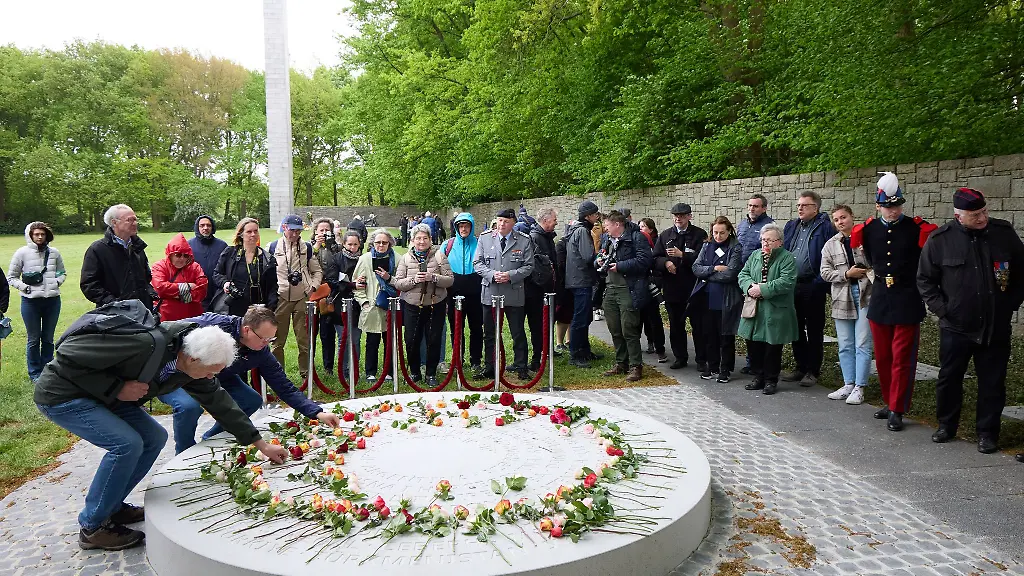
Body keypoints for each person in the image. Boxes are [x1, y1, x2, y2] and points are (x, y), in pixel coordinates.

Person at [35, 311, 287, 551]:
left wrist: (261, 445)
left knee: (154, 437)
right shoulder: (145, 344)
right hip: (64, 395)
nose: (212, 377)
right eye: (211, 371)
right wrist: (116, 387)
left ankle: (111, 506)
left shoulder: (193, 365)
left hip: (106, 398)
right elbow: (68, 355)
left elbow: (221, 403)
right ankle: (92, 527)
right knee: (127, 444)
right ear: (193, 359)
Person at [918, 188, 1024, 453]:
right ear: (958, 215)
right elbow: (925, 280)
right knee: (949, 377)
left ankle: (987, 432)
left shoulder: (1003, 233)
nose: (982, 218)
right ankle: (946, 425)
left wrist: (1010, 304)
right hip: (956, 326)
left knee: (992, 381)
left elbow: (1021, 273)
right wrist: (944, 310)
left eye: (984, 211)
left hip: (995, 325)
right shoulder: (940, 239)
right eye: (975, 214)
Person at [157, 306, 342, 454]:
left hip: (217, 376)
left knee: (251, 400)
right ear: (247, 330)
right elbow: (171, 336)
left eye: (271, 339)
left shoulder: (260, 351)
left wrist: (317, 413)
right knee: (189, 407)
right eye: (264, 338)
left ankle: (211, 439)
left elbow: (283, 385)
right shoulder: (211, 327)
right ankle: (184, 452)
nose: (266, 344)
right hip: (181, 371)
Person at [853, 172, 936, 431]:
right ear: (878, 206)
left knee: (903, 357)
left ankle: (898, 408)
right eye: (888, 206)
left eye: (897, 205)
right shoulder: (866, 230)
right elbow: (863, 260)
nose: (893, 210)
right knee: (884, 356)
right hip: (880, 297)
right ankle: (889, 401)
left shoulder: (918, 228)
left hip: (907, 297)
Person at [780, 191, 835, 387]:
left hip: (813, 284)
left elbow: (832, 256)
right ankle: (800, 366)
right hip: (792, 284)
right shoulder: (792, 225)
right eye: (798, 205)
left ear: (816, 208)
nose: (800, 208)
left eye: (804, 205)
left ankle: (813, 370)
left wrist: (820, 281)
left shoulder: (826, 227)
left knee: (814, 329)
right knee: (795, 328)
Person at [820, 205, 874, 405]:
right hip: (842, 296)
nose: (840, 222)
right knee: (845, 344)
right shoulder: (830, 244)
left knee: (862, 342)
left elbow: (875, 263)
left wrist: (863, 257)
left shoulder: (865, 239)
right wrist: (845, 274)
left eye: (843, 217)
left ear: (852, 217)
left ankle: (860, 386)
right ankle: (848, 384)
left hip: (865, 295)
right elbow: (824, 272)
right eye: (836, 219)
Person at [473, 208, 535, 380]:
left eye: (506, 221)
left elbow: (529, 266)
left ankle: (521, 366)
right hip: (491, 291)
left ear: (513, 223)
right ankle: (490, 366)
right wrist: (492, 275)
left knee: (517, 332)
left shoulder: (523, 240)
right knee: (490, 333)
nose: (502, 224)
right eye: (499, 220)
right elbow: (477, 263)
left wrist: (510, 275)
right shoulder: (485, 238)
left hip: (513, 292)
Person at [738, 223, 798, 395]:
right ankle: (758, 377)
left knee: (772, 346)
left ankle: (771, 380)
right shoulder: (755, 255)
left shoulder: (787, 258)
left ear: (779, 242)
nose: (766, 243)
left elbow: (787, 281)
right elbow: (743, 274)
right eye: (764, 240)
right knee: (754, 343)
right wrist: (749, 286)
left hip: (775, 309)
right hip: (754, 307)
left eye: (770, 240)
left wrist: (762, 289)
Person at [393, 224, 454, 385]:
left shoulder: (440, 256)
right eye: (418, 238)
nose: (421, 241)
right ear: (412, 240)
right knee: (411, 339)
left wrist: (433, 277)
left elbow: (450, 280)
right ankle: (414, 372)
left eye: (425, 238)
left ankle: (431, 373)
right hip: (412, 306)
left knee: (433, 339)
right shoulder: (405, 258)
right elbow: (398, 283)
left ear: (430, 240)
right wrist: (414, 280)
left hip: (436, 304)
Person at [7, 222, 66, 381]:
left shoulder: (54, 253)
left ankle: (47, 369)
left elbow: (62, 272)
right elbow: (11, 277)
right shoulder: (21, 253)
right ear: (30, 236)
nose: (40, 237)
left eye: (43, 234)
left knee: (48, 338)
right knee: (33, 339)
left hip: (52, 301)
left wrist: (57, 282)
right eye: (36, 234)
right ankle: (34, 373)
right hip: (30, 302)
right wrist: (24, 287)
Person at [653, 203, 708, 370]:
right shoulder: (665, 235)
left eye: (682, 216)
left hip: (693, 288)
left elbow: (703, 258)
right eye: (676, 215)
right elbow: (655, 257)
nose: (679, 218)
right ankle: (680, 357)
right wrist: (666, 262)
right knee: (676, 326)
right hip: (673, 288)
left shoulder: (699, 234)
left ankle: (701, 359)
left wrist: (682, 255)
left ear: (689, 216)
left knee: (698, 326)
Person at [599, 211, 652, 382]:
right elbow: (599, 255)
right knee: (614, 328)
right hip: (610, 287)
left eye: (607, 225)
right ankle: (621, 362)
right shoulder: (607, 239)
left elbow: (645, 261)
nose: (604, 229)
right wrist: (598, 261)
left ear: (617, 224)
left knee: (629, 328)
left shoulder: (637, 237)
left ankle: (636, 365)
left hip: (628, 288)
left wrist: (620, 266)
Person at [269, 214, 323, 380]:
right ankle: (279, 375)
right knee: (277, 341)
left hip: (302, 297)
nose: (295, 234)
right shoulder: (272, 247)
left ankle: (306, 374)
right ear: (284, 227)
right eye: (292, 230)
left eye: (298, 231)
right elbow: (267, 273)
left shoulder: (306, 247)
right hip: (281, 298)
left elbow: (317, 271)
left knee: (304, 340)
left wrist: (312, 288)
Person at [691, 216, 744, 383]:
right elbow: (695, 268)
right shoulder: (707, 245)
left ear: (729, 232)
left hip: (726, 297)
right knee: (709, 334)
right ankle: (712, 366)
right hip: (707, 297)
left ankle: (725, 369)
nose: (718, 236)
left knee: (725, 336)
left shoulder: (735, 248)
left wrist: (707, 275)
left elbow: (730, 274)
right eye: (715, 232)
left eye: (722, 233)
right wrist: (713, 268)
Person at [81, 204, 156, 312]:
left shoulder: (137, 246)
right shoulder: (97, 249)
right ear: (114, 222)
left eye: (135, 219)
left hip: (143, 311)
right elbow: (89, 285)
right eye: (129, 220)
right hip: (114, 315)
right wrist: (114, 303)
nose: (135, 223)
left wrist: (150, 294)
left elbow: (146, 277)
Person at [353, 229, 399, 381]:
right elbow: (357, 283)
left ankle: (390, 372)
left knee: (390, 341)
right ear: (372, 243)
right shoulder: (365, 259)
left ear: (390, 243)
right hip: (372, 306)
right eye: (378, 242)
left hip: (390, 305)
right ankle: (370, 372)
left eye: (384, 242)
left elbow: (401, 282)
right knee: (372, 341)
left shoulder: (397, 259)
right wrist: (364, 302)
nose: (381, 245)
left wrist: (388, 277)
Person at [736, 194, 774, 374]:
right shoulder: (742, 225)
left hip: (761, 279)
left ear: (764, 208)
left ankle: (761, 364)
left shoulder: (769, 227)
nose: (752, 209)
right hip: (744, 279)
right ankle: (751, 362)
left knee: (760, 321)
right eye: (750, 205)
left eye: (756, 206)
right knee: (748, 319)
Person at [213, 218, 278, 316]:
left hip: (257, 308)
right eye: (249, 232)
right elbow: (217, 274)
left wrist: (270, 309)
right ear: (241, 234)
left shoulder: (268, 259)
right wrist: (225, 283)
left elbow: (273, 287)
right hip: (233, 307)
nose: (253, 234)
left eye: (256, 231)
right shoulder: (230, 253)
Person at [445, 213, 484, 374]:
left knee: (476, 327)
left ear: (471, 226)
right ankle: (457, 359)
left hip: (475, 290)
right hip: (454, 290)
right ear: (456, 227)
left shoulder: (480, 243)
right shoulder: (448, 245)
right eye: (460, 226)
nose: (463, 229)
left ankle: (476, 360)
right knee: (456, 327)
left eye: (466, 226)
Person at [564, 201, 601, 368]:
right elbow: (588, 256)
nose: (597, 216)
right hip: (581, 280)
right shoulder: (582, 231)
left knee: (584, 317)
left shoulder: (576, 229)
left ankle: (584, 350)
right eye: (595, 214)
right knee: (580, 318)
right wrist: (599, 256)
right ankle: (576, 353)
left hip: (576, 279)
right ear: (587, 216)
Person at [323, 230, 364, 377]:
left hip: (359, 302)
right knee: (343, 338)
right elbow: (331, 280)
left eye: (355, 244)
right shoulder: (336, 258)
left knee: (356, 338)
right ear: (344, 244)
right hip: (340, 302)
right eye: (349, 244)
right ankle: (343, 370)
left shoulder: (364, 259)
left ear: (360, 244)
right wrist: (351, 285)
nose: (352, 247)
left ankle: (354, 369)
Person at [526, 208, 558, 371]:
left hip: (545, 288)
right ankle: (535, 357)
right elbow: (537, 265)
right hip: (536, 289)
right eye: (554, 219)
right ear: (545, 220)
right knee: (537, 325)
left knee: (541, 324)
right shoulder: (536, 237)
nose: (556, 222)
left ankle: (543, 352)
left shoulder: (546, 237)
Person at [150, 234, 208, 322]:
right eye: (178, 255)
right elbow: (160, 288)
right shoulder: (159, 266)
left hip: (193, 317)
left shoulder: (195, 267)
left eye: (185, 256)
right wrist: (188, 287)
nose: (182, 258)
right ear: (170, 254)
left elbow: (202, 291)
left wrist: (173, 295)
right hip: (167, 318)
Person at [311, 218, 341, 374]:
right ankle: (309, 365)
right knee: (310, 331)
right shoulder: (308, 246)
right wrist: (316, 245)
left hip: (330, 292)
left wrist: (334, 243)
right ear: (315, 231)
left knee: (327, 331)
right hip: (312, 292)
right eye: (321, 230)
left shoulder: (335, 246)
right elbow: (307, 261)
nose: (323, 233)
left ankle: (328, 366)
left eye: (326, 230)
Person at [638, 218, 667, 362]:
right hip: (638, 287)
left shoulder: (655, 243)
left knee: (654, 319)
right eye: (640, 226)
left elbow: (656, 264)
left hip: (651, 286)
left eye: (643, 226)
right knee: (639, 319)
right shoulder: (636, 245)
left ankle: (659, 348)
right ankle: (642, 345)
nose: (641, 229)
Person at [187, 215, 228, 311]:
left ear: (212, 227)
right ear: (197, 227)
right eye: (202, 225)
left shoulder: (222, 246)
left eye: (208, 225)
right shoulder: (189, 246)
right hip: (197, 292)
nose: (205, 228)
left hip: (217, 292)